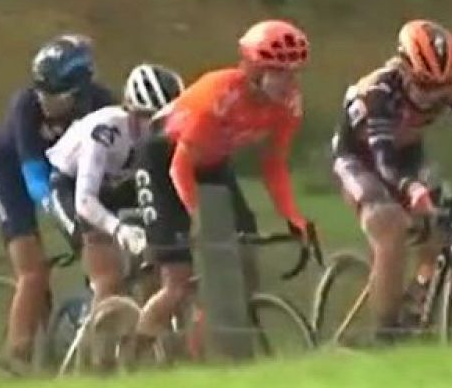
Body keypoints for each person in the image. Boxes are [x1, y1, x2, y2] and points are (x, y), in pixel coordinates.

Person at [128, 20, 319, 357]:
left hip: (213, 163)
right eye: (281, 73)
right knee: (178, 280)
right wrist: (198, 219)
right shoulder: (218, 94)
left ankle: (202, 350)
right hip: (164, 160)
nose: (290, 82)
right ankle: (130, 358)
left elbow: (273, 165)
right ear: (255, 69)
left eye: (295, 74)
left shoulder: (287, 105)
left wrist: (294, 217)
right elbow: (179, 167)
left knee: (244, 262)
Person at [330, 19, 452, 340]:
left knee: (443, 225)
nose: (430, 95)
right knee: (390, 225)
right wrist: (410, 187)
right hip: (361, 159)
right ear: (404, 68)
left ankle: (416, 301)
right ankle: (385, 332)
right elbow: (382, 158)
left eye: (440, 87)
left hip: (408, 156)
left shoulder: (451, 86)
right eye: (423, 85)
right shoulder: (378, 92)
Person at [0, 34, 115, 373]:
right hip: (11, 174)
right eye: (39, 90)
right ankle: (16, 359)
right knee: (33, 271)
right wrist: (69, 222)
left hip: (64, 170)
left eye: (52, 94)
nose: (43, 100)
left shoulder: (102, 106)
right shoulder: (24, 108)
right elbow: (36, 182)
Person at [45, 64, 185, 359]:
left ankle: (143, 347)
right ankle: (95, 358)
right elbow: (86, 202)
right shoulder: (105, 132)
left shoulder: (163, 136)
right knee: (108, 279)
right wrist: (120, 230)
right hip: (73, 189)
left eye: (166, 119)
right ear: (133, 113)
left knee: (156, 260)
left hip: (118, 185)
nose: (160, 127)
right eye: (151, 119)